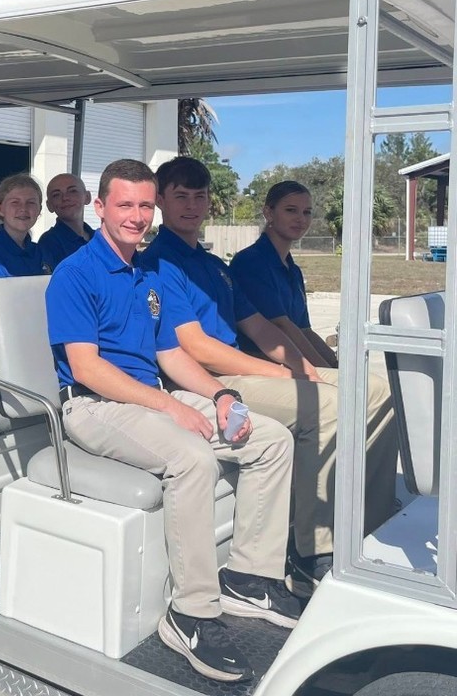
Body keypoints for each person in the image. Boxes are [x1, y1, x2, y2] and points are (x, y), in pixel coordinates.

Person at [46, 158, 300, 684]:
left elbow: (172, 357)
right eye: (124, 205)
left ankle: (249, 578)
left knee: (270, 438)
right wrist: (171, 407)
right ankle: (191, 612)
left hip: (151, 396)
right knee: (191, 456)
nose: (137, 216)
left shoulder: (150, 273)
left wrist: (222, 395)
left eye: (143, 205)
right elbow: (87, 366)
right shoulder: (75, 272)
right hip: (95, 406)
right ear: (100, 208)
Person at [144, 157, 398, 589]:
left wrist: (302, 367)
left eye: (199, 197)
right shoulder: (161, 262)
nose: (192, 205)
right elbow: (197, 347)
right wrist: (282, 375)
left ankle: (366, 516)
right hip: (208, 380)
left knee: (375, 392)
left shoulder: (212, 265)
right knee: (326, 405)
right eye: (180, 197)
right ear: (161, 201)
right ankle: (310, 547)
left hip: (241, 369)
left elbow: (259, 325)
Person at [230, 181, 340, 368]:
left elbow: (304, 330)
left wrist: (336, 367)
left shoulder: (293, 270)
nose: (301, 219)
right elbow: (282, 326)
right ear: (268, 213)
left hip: (292, 363)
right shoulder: (251, 262)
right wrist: (324, 373)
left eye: (307, 212)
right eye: (291, 210)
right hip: (261, 363)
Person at [0, 173, 51, 288]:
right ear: (0, 209)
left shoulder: (42, 253)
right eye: (15, 202)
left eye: (31, 202)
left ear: (39, 210)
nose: (23, 209)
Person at [37, 173, 94, 265]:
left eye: (72, 191)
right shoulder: (49, 243)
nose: (65, 198)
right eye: (56, 195)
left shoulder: (100, 238)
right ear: (49, 206)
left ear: (87, 197)